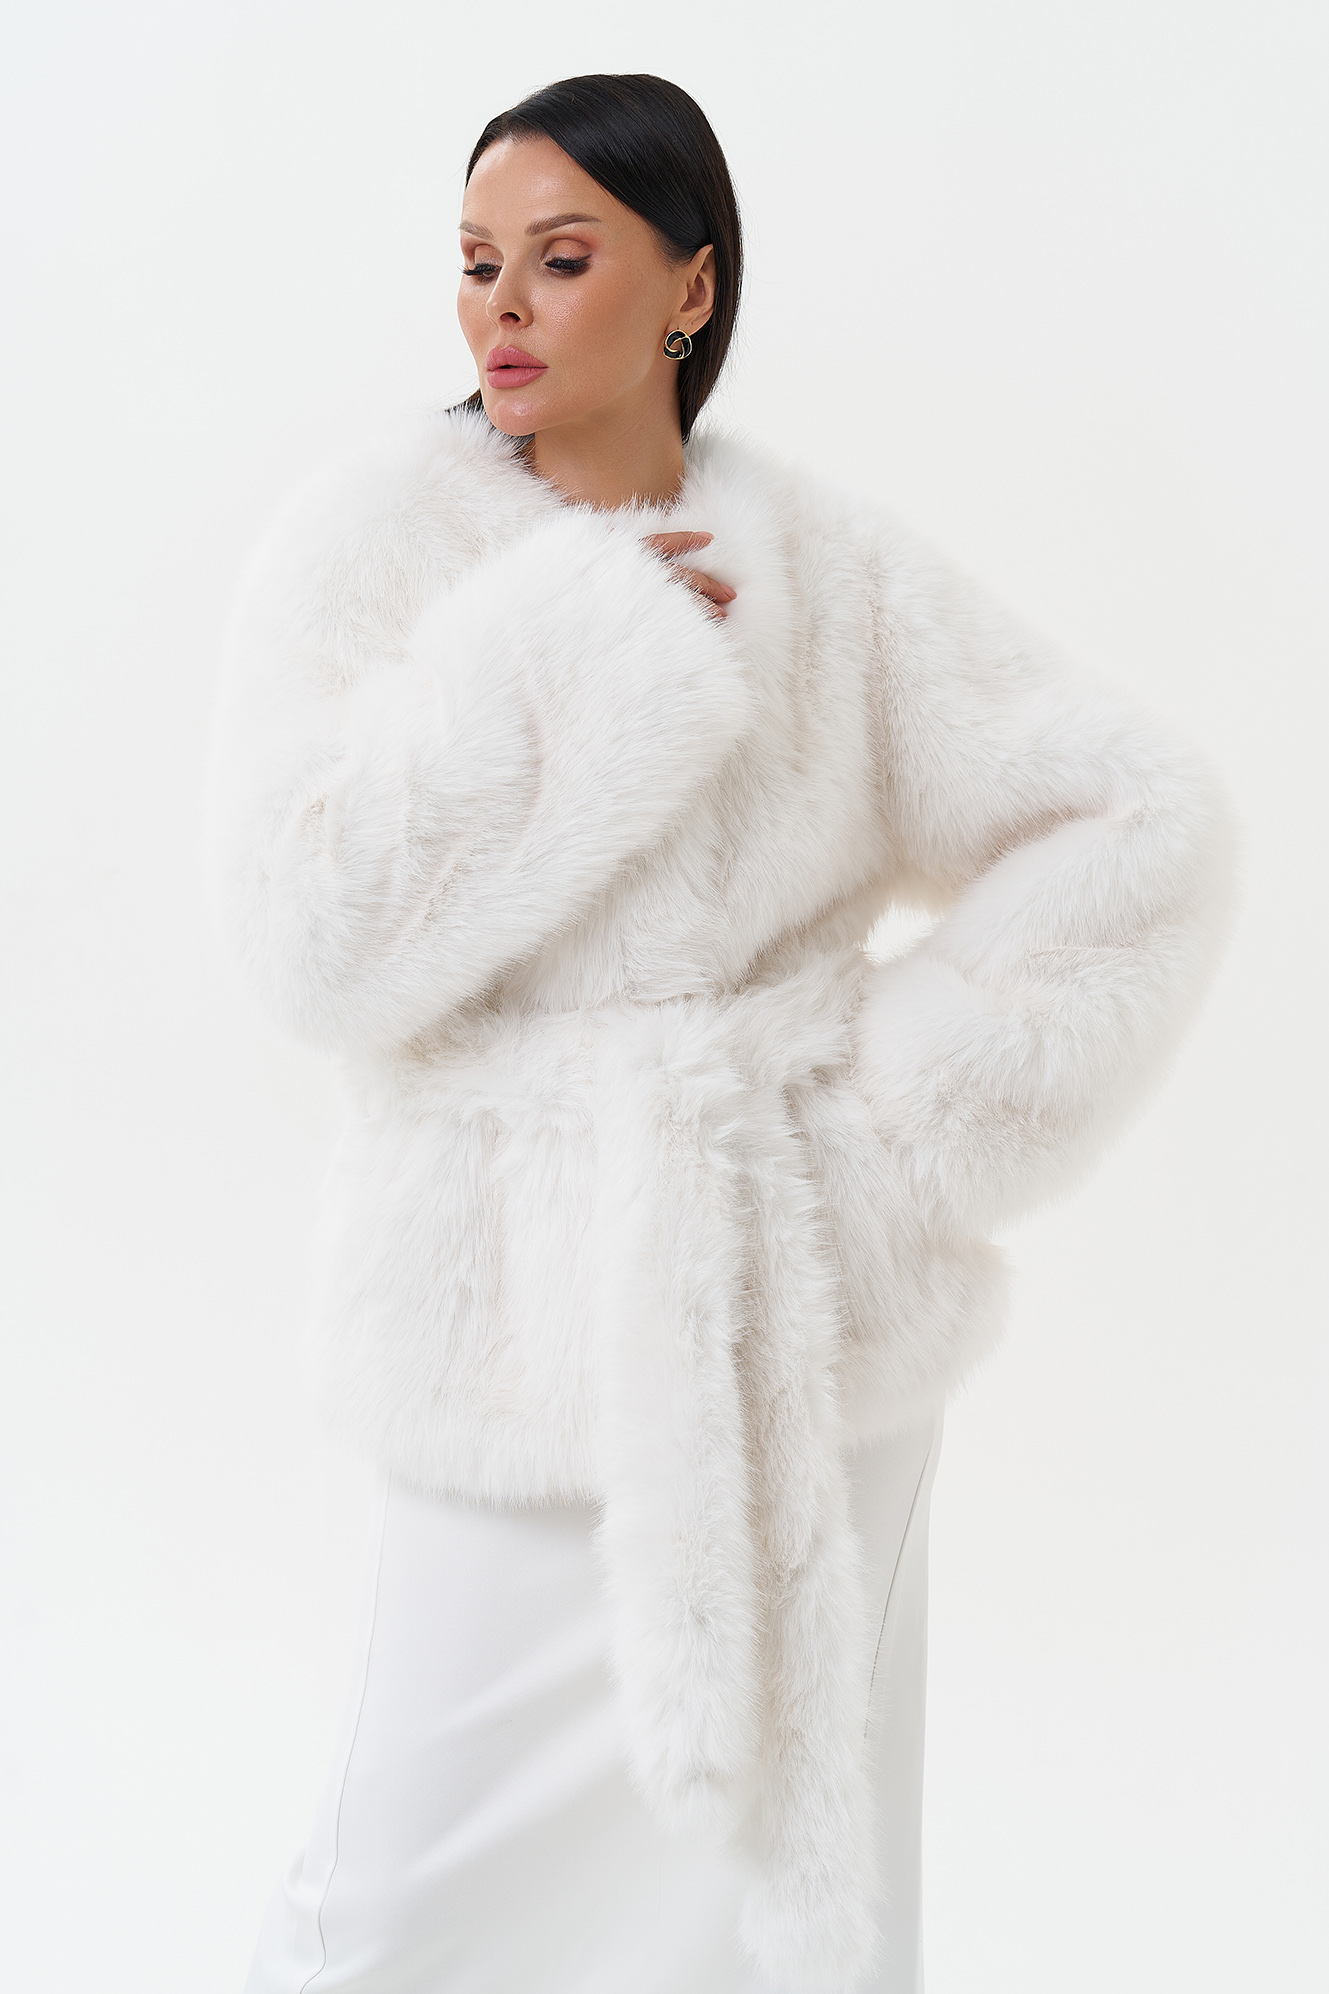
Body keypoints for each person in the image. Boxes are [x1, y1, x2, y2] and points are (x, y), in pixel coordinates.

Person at [210, 71, 1233, 1994]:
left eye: (561, 257)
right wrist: (561, 647)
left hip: (794, 1316)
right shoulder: (373, 546)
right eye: (475, 263)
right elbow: (306, 934)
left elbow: (1134, 821)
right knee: (391, 1902)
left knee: (781, 1898)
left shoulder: (823, 570)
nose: (501, 307)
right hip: (505, 1321)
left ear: (689, 286)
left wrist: (888, 1131)